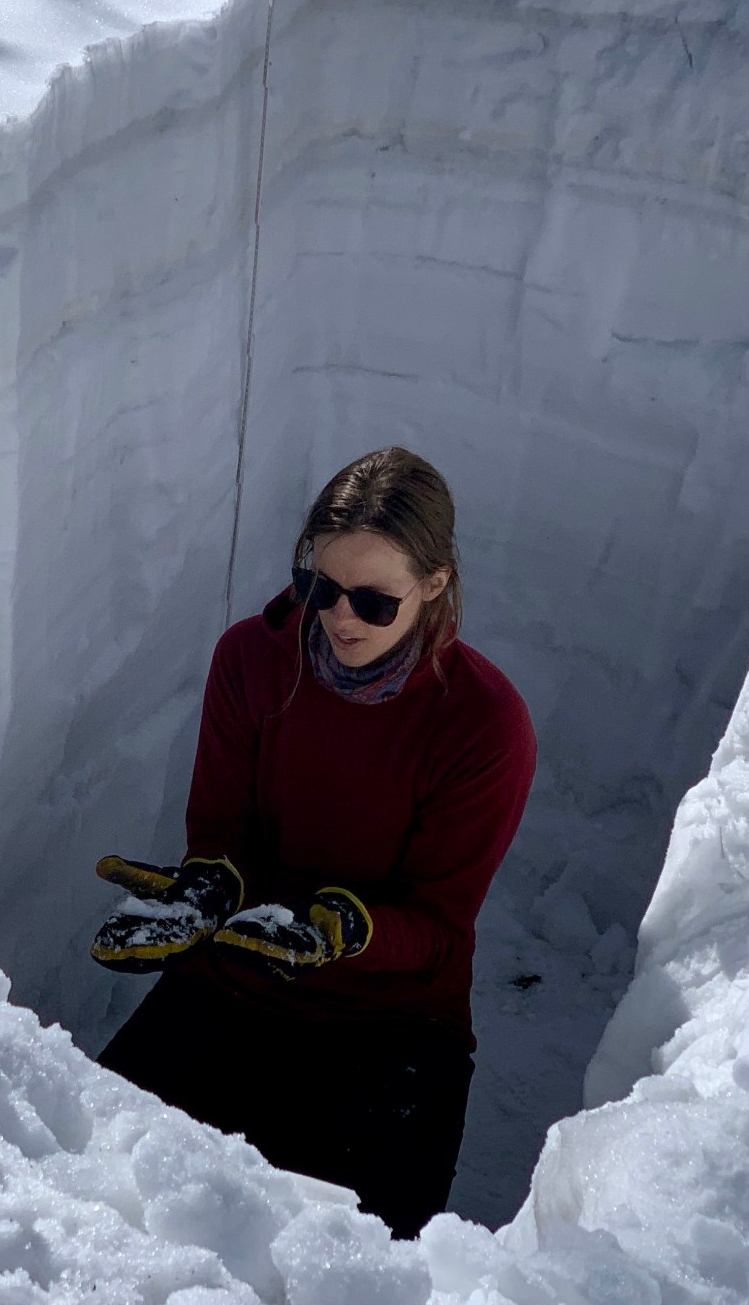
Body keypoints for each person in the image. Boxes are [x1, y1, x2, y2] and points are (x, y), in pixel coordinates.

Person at [90, 446, 534, 1239]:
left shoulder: (483, 724)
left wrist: (342, 932)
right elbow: (222, 832)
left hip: (390, 1021)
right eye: (319, 588)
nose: (337, 618)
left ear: (433, 586)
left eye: (373, 601)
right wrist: (209, 892)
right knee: (87, 1189)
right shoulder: (251, 660)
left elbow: (437, 929)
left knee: (352, 1266)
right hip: (238, 976)